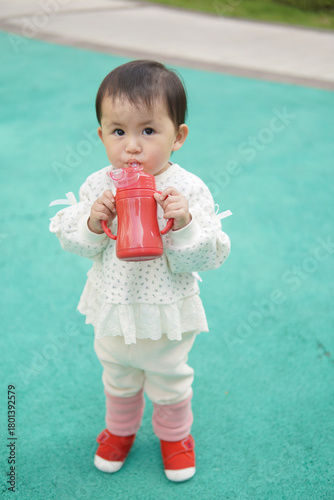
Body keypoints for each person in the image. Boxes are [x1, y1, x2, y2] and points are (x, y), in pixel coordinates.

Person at [49, 60, 231, 482]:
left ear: (178, 137)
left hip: (166, 311)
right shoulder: (100, 185)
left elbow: (210, 255)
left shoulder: (187, 189)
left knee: (170, 377)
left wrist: (185, 224)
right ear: (101, 136)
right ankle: (120, 431)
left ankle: (175, 437)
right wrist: (92, 222)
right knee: (117, 372)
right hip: (114, 306)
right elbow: (76, 243)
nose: (132, 146)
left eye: (148, 131)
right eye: (118, 132)